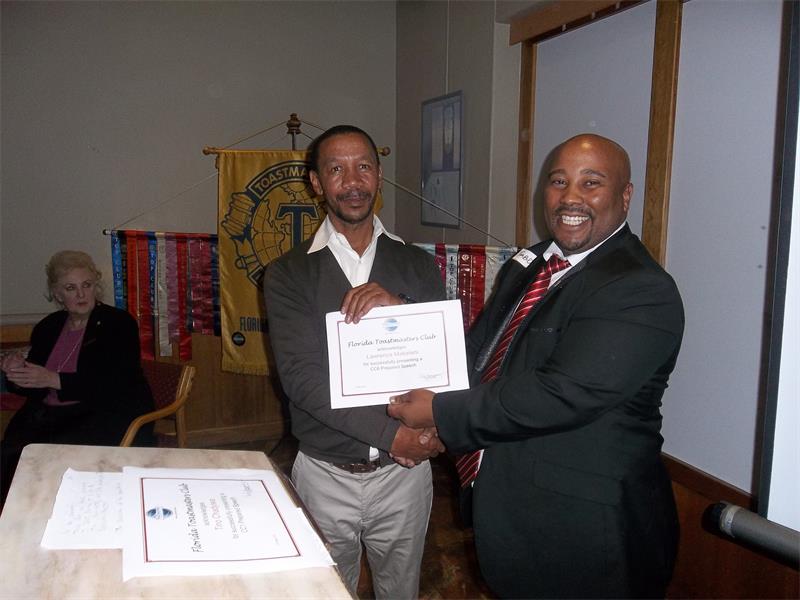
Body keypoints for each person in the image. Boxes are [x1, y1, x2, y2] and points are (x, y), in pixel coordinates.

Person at [388, 134, 684, 599]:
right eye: (558, 181)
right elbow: (481, 356)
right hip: (513, 514)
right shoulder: (528, 265)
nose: (570, 197)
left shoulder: (638, 287)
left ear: (625, 195)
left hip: (587, 537)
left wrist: (439, 413)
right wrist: (430, 420)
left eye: (591, 183)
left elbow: (561, 393)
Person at [263, 125, 445, 599]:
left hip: (405, 476)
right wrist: (395, 436)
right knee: (326, 592)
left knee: (400, 591)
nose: (353, 182)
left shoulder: (418, 265)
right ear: (316, 183)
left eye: (363, 167)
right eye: (336, 170)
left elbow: (442, 360)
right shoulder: (288, 274)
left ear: (379, 175)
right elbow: (302, 380)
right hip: (325, 475)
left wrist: (399, 308)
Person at [1, 250, 154, 504]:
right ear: (57, 294)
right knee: (10, 455)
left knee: (47, 461)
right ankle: (19, 518)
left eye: (87, 285)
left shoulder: (118, 324)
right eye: (71, 288)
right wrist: (17, 372)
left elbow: (114, 383)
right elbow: (34, 385)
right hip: (50, 416)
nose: (81, 294)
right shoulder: (48, 327)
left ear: (96, 286)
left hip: (101, 414)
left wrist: (54, 379)